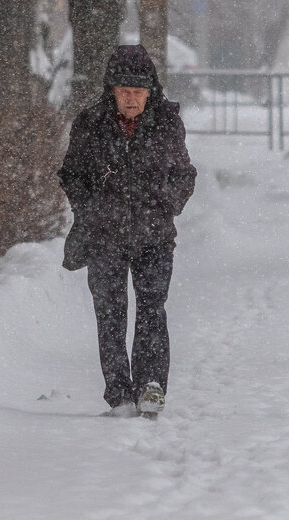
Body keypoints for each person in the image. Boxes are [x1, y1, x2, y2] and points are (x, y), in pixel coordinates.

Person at [58, 44, 197, 417]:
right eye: (124, 91)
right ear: (112, 92)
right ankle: (119, 393)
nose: (131, 99)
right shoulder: (90, 124)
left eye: (138, 91)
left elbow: (185, 175)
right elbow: (71, 174)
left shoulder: (167, 123)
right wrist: (89, 207)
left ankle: (151, 385)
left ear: (150, 92)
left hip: (154, 237)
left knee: (152, 309)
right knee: (111, 314)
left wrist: (167, 204)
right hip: (105, 236)